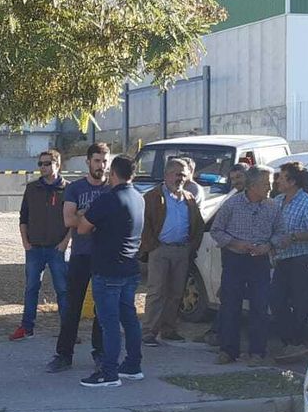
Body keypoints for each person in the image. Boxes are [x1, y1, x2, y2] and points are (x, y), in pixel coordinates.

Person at [72, 154, 146, 387]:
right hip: (130, 266)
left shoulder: (108, 199)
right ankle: (133, 364)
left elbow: (83, 229)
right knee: (129, 318)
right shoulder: (138, 197)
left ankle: (108, 372)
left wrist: (84, 214)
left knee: (109, 322)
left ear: (113, 173)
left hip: (108, 268)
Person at [48, 143, 111, 373]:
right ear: (88, 162)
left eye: (105, 161)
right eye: (97, 161)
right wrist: (94, 218)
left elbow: (113, 221)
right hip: (81, 255)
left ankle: (101, 353)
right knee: (72, 306)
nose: (101, 166)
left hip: (104, 256)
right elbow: (68, 220)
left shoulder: (112, 188)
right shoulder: (76, 188)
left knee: (102, 308)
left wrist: (85, 215)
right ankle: (64, 354)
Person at [210, 165, 277, 364]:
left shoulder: (273, 207)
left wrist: (269, 245)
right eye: (266, 184)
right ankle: (228, 351)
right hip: (235, 259)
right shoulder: (232, 205)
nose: (270, 188)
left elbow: (281, 233)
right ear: (253, 185)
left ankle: (257, 352)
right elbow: (216, 230)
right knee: (230, 305)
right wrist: (235, 243)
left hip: (260, 261)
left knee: (259, 306)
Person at [139, 159, 205, 346]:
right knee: (157, 292)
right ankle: (149, 332)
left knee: (176, 293)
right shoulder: (152, 197)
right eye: (177, 174)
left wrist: (192, 247)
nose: (181, 179)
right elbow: (144, 224)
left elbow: (198, 226)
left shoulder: (189, 198)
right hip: (160, 250)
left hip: (182, 250)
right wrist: (152, 246)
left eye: (184, 175)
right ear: (167, 175)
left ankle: (168, 329)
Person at [269, 161, 308, 361]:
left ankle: (297, 343)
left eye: (281, 177)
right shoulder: (278, 201)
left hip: (304, 258)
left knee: (299, 300)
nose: (277, 180)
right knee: (275, 300)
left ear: (293, 181)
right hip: (283, 258)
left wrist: (295, 237)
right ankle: (288, 341)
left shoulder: (307, 202)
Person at [12, 150, 70, 341]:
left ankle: (68, 330)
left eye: (46, 163)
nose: (42, 167)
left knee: (62, 289)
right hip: (34, 248)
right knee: (31, 288)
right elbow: (23, 217)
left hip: (57, 249)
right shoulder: (32, 189)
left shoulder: (68, 189)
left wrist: (65, 243)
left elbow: (73, 220)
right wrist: (25, 242)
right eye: (40, 164)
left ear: (57, 164)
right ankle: (26, 327)